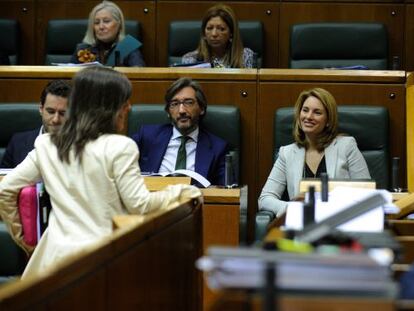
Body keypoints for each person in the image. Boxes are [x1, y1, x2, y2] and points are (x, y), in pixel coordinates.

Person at [0, 66, 201, 278]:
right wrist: (182, 192)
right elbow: (140, 205)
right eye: (124, 101)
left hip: (52, 261)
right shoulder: (120, 146)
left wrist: (25, 238)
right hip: (101, 262)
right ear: (107, 107)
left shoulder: (46, 144)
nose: (129, 107)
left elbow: (5, 189)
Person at [258, 88, 371, 217]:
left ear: (328, 120)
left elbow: (366, 193)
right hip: (301, 225)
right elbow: (265, 198)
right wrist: (292, 208)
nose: (308, 117)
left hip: (338, 223)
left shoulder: (346, 146)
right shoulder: (287, 153)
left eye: (317, 112)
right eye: (305, 110)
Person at [131, 77, 228, 186]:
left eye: (189, 102)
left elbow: (224, 191)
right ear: (168, 111)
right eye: (175, 104)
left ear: (202, 108)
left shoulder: (217, 148)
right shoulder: (146, 136)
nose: (181, 110)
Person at [1, 80, 71, 168]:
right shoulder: (17, 143)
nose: (55, 119)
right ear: (41, 109)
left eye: (62, 113)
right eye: (51, 112)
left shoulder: (81, 146)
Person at [71, 1, 145, 67]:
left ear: (119, 24)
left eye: (106, 21)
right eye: (96, 22)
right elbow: (68, 78)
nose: (101, 27)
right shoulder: (82, 49)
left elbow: (139, 78)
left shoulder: (128, 47)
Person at [181, 4, 254, 68]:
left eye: (221, 29)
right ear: (204, 33)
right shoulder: (190, 59)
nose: (214, 34)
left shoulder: (245, 56)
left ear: (231, 33)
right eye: (209, 28)